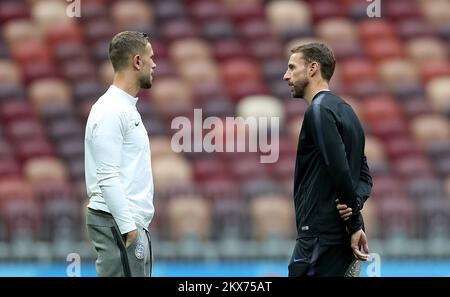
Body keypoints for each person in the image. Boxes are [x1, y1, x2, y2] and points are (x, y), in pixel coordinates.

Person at [283, 42, 373, 277]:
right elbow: (364, 178)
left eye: (292, 67)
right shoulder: (348, 111)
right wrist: (355, 219)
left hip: (318, 237)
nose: (286, 76)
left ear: (313, 68)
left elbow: (339, 170)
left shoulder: (318, 110)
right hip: (339, 238)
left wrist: (354, 221)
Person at [84, 31, 156, 277]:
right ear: (137, 61)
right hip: (118, 221)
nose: (154, 64)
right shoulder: (111, 110)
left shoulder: (123, 108)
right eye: (150, 57)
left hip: (126, 223)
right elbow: (106, 174)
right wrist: (129, 230)